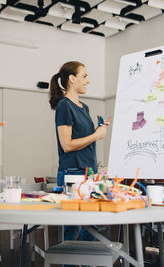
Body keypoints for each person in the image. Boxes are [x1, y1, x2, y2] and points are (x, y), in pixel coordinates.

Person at [49, 61, 108, 241]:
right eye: (84, 76)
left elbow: (84, 138)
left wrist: (98, 129)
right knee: (72, 228)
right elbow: (67, 145)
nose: (88, 80)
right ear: (71, 79)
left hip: (89, 172)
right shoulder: (64, 106)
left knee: (92, 224)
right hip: (73, 173)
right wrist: (96, 135)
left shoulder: (85, 107)